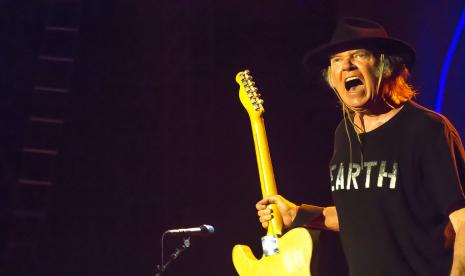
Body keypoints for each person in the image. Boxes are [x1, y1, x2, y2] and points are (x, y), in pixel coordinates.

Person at [256, 17, 465, 275]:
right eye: (336, 60)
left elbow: (462, 221)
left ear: (385, 67)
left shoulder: (427, 130)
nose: (346, 65)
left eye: (359, 55)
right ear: (331, 79)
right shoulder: (344, 134)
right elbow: (360, 215)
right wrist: (296, 215)